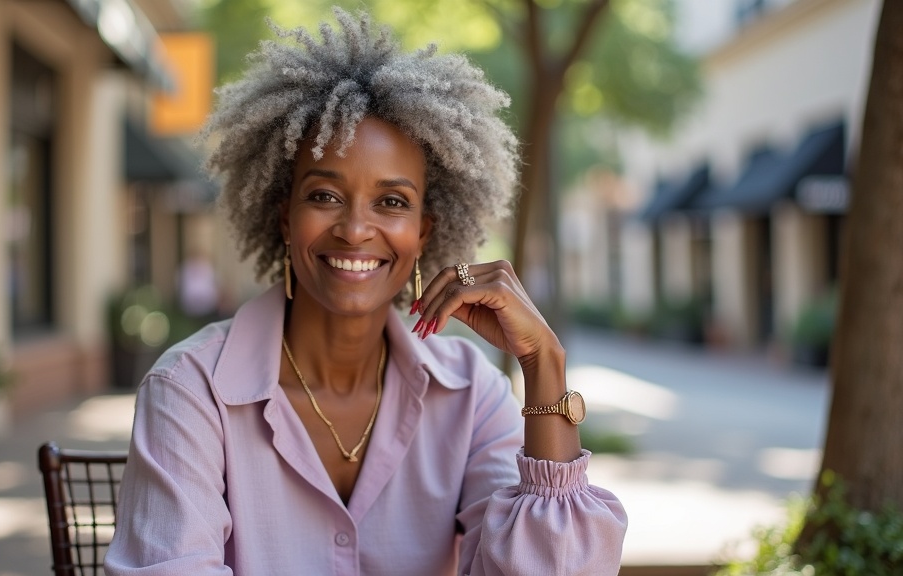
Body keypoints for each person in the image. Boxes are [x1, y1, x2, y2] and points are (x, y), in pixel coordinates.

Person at [105, 8, 626, 575]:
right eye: (325, 195)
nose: (355, 229)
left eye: (393, 202)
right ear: (284, 218)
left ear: (424, 232)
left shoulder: (472, 396)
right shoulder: (191, 391)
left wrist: (543, 363)